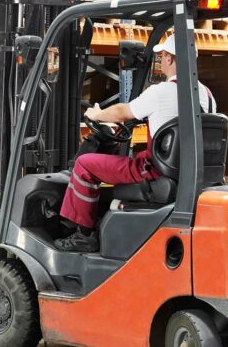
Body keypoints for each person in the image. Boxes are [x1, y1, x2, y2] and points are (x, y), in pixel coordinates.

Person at [54, 35, 217, 252]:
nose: (160, 61)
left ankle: (83, 235)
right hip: (190, 174)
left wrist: (97, 114)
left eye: (162, 56)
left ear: (169, 59)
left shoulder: (160, 92)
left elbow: (123, 111)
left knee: (84, 164)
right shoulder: (207, 95)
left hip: (153, 172)